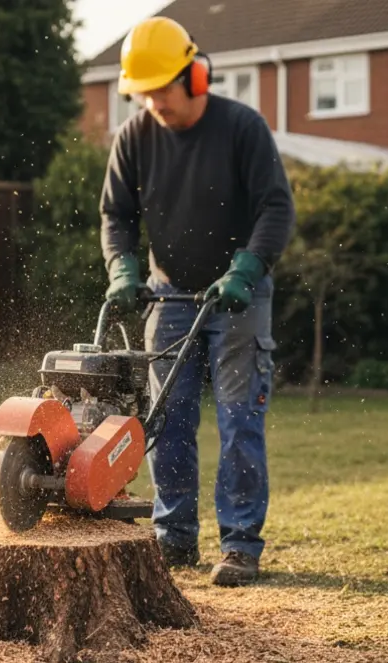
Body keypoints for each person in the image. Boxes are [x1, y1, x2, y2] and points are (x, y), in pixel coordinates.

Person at [99, 16, 296, 587]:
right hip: (169, 294)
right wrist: (123, 268)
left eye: (163, 87)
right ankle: (174, 537)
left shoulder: (241, 128)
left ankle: (238, 546)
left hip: (239, 294)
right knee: (167, 420)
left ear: (195, 75)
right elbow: (116, 216)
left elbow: (275, 208)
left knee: (238, 420)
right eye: (145, 91)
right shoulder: (134, 138)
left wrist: (248, 267)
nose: (155, 101)